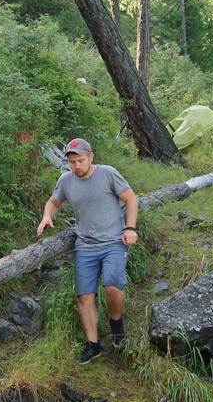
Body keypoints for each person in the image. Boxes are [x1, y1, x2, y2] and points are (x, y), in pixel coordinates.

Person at [36, 138, 139, 364]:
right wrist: (46, 216)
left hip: (114, 241)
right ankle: (93, 345)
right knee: (85, 296)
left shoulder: (107, 174)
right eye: (72, 162)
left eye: (80, 161)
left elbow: (131, 199)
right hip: (85, 245)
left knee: (112, 286)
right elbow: (53, 203)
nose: (77, 166)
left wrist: (130, 228)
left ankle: (116, 323)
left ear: (91, 158)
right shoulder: (66, 180)